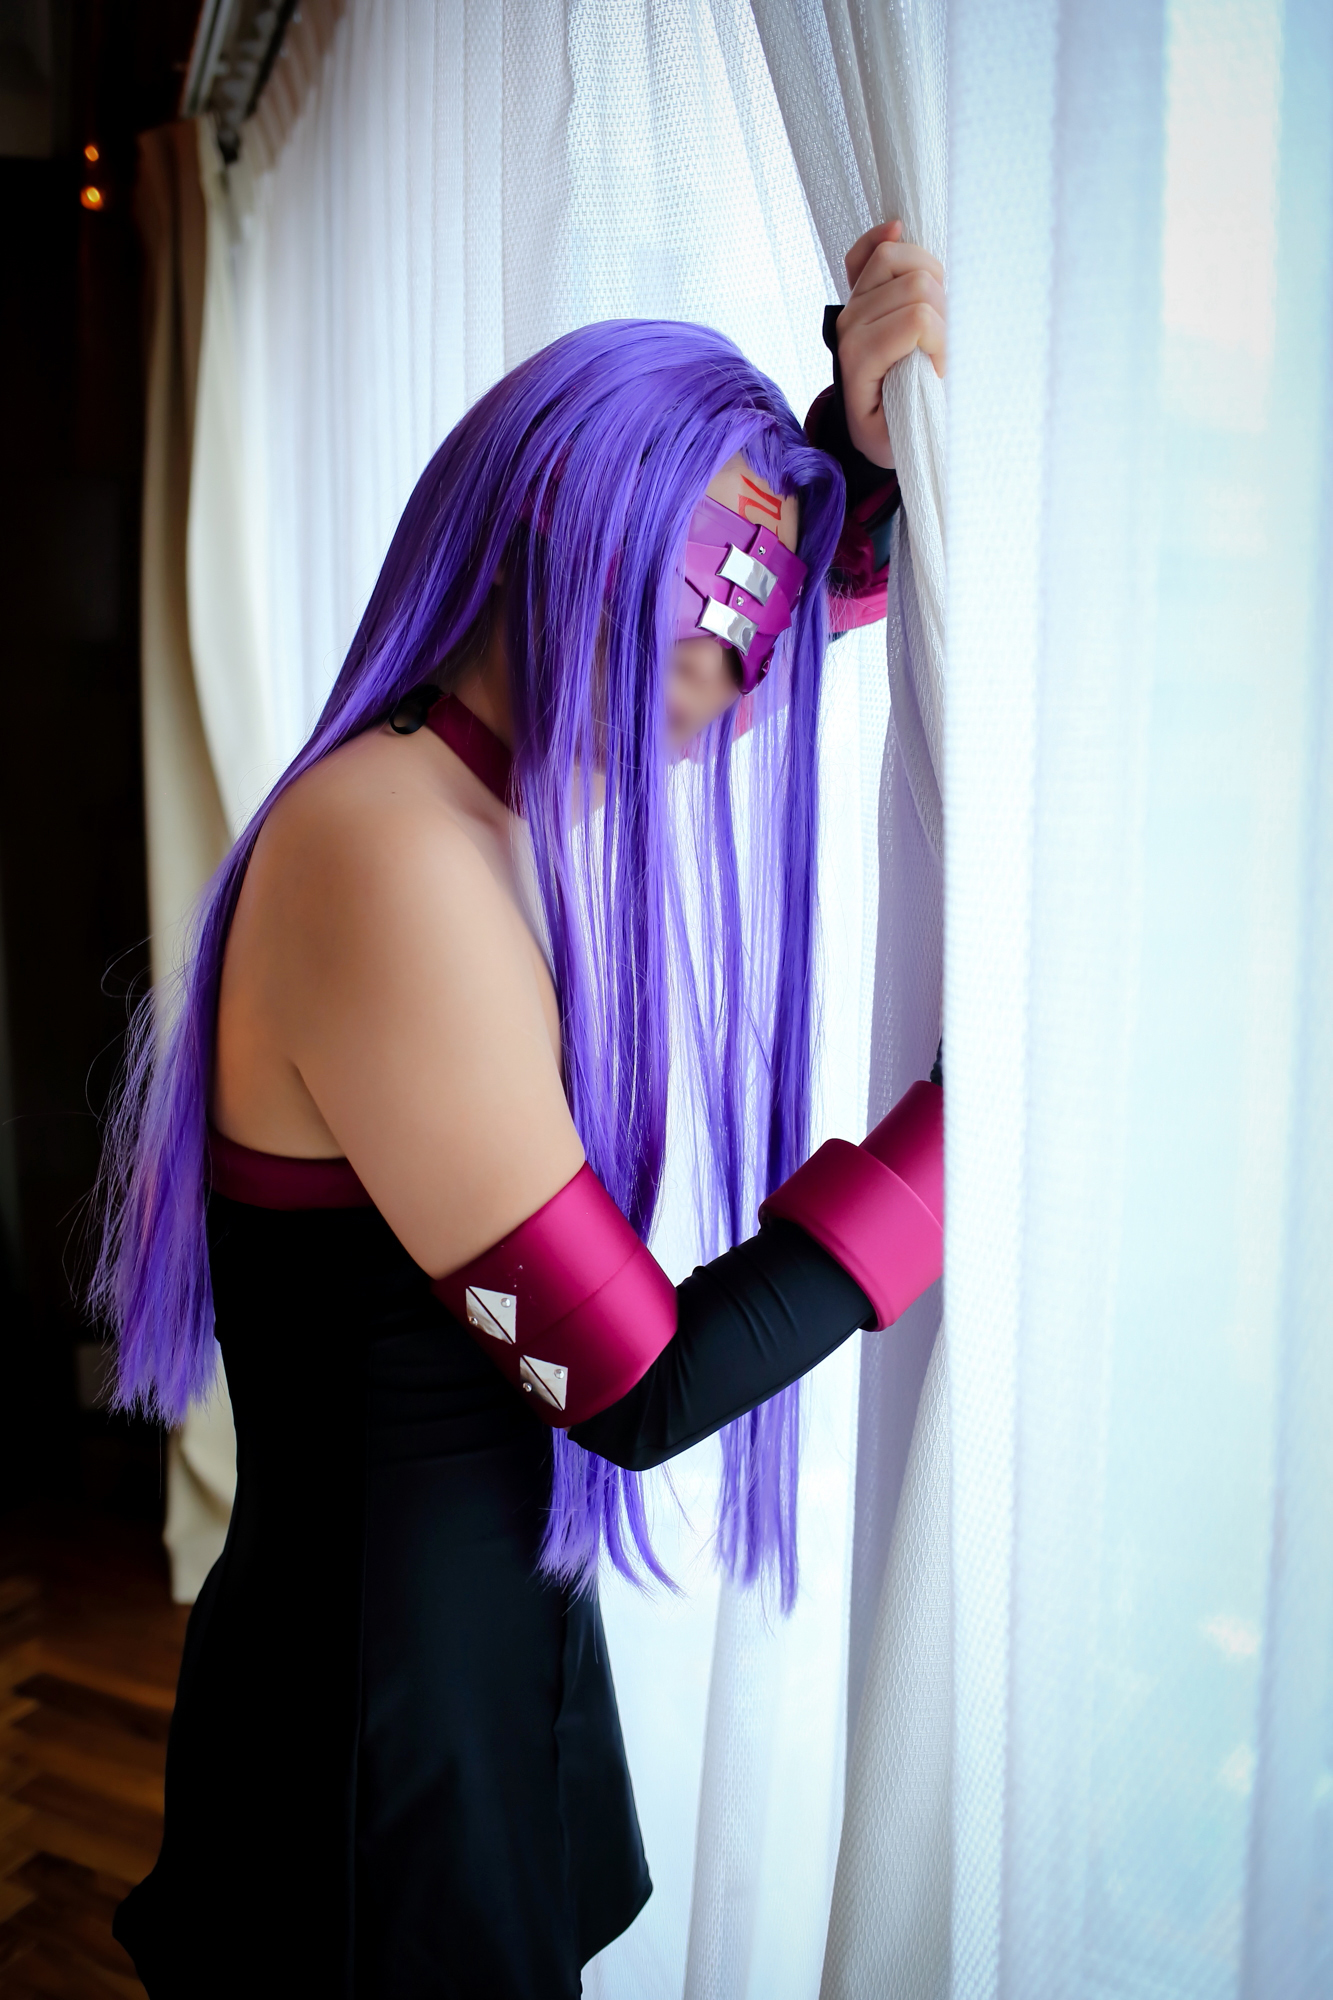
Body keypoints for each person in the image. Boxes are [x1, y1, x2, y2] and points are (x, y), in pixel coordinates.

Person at [93, 225, 947, 1998]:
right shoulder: (392, 855)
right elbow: (633, 1389)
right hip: (372, 1737)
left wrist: (859, 468)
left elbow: (752, 644)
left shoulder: (470, 791)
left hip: (455, 1663)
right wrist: (969, 1137)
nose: (734, 687)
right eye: (712, 614)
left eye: (750, 631)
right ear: (570, 538)